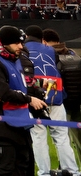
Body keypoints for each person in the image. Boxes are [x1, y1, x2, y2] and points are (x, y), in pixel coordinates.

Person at [0, 25, 48, 176]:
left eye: (21, 43)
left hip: (20, 122)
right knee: (6, 167)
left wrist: (38, 83)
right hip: (2, 123)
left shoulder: (14, 59)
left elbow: (21, 82)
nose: (21, 46)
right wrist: (30, 99)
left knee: (23, 165)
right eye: (16, 43)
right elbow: (3, 93)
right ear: (4, 44)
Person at [24, 25, 79, 176]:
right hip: (55, 96)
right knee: (61, 137)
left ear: (26, 36)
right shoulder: (50, 50)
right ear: (42, 38)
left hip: (35, 98)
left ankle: (44, 173)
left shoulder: (21, 50)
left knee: (39, 138)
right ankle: (73, 171)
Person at [45, 28, 81, 163]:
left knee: (61, 138)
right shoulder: (74, 54)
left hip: (60, 102)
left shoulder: (49, 57)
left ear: (44, 41)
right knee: (77, 138)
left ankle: (64, 167)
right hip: (76, 102)